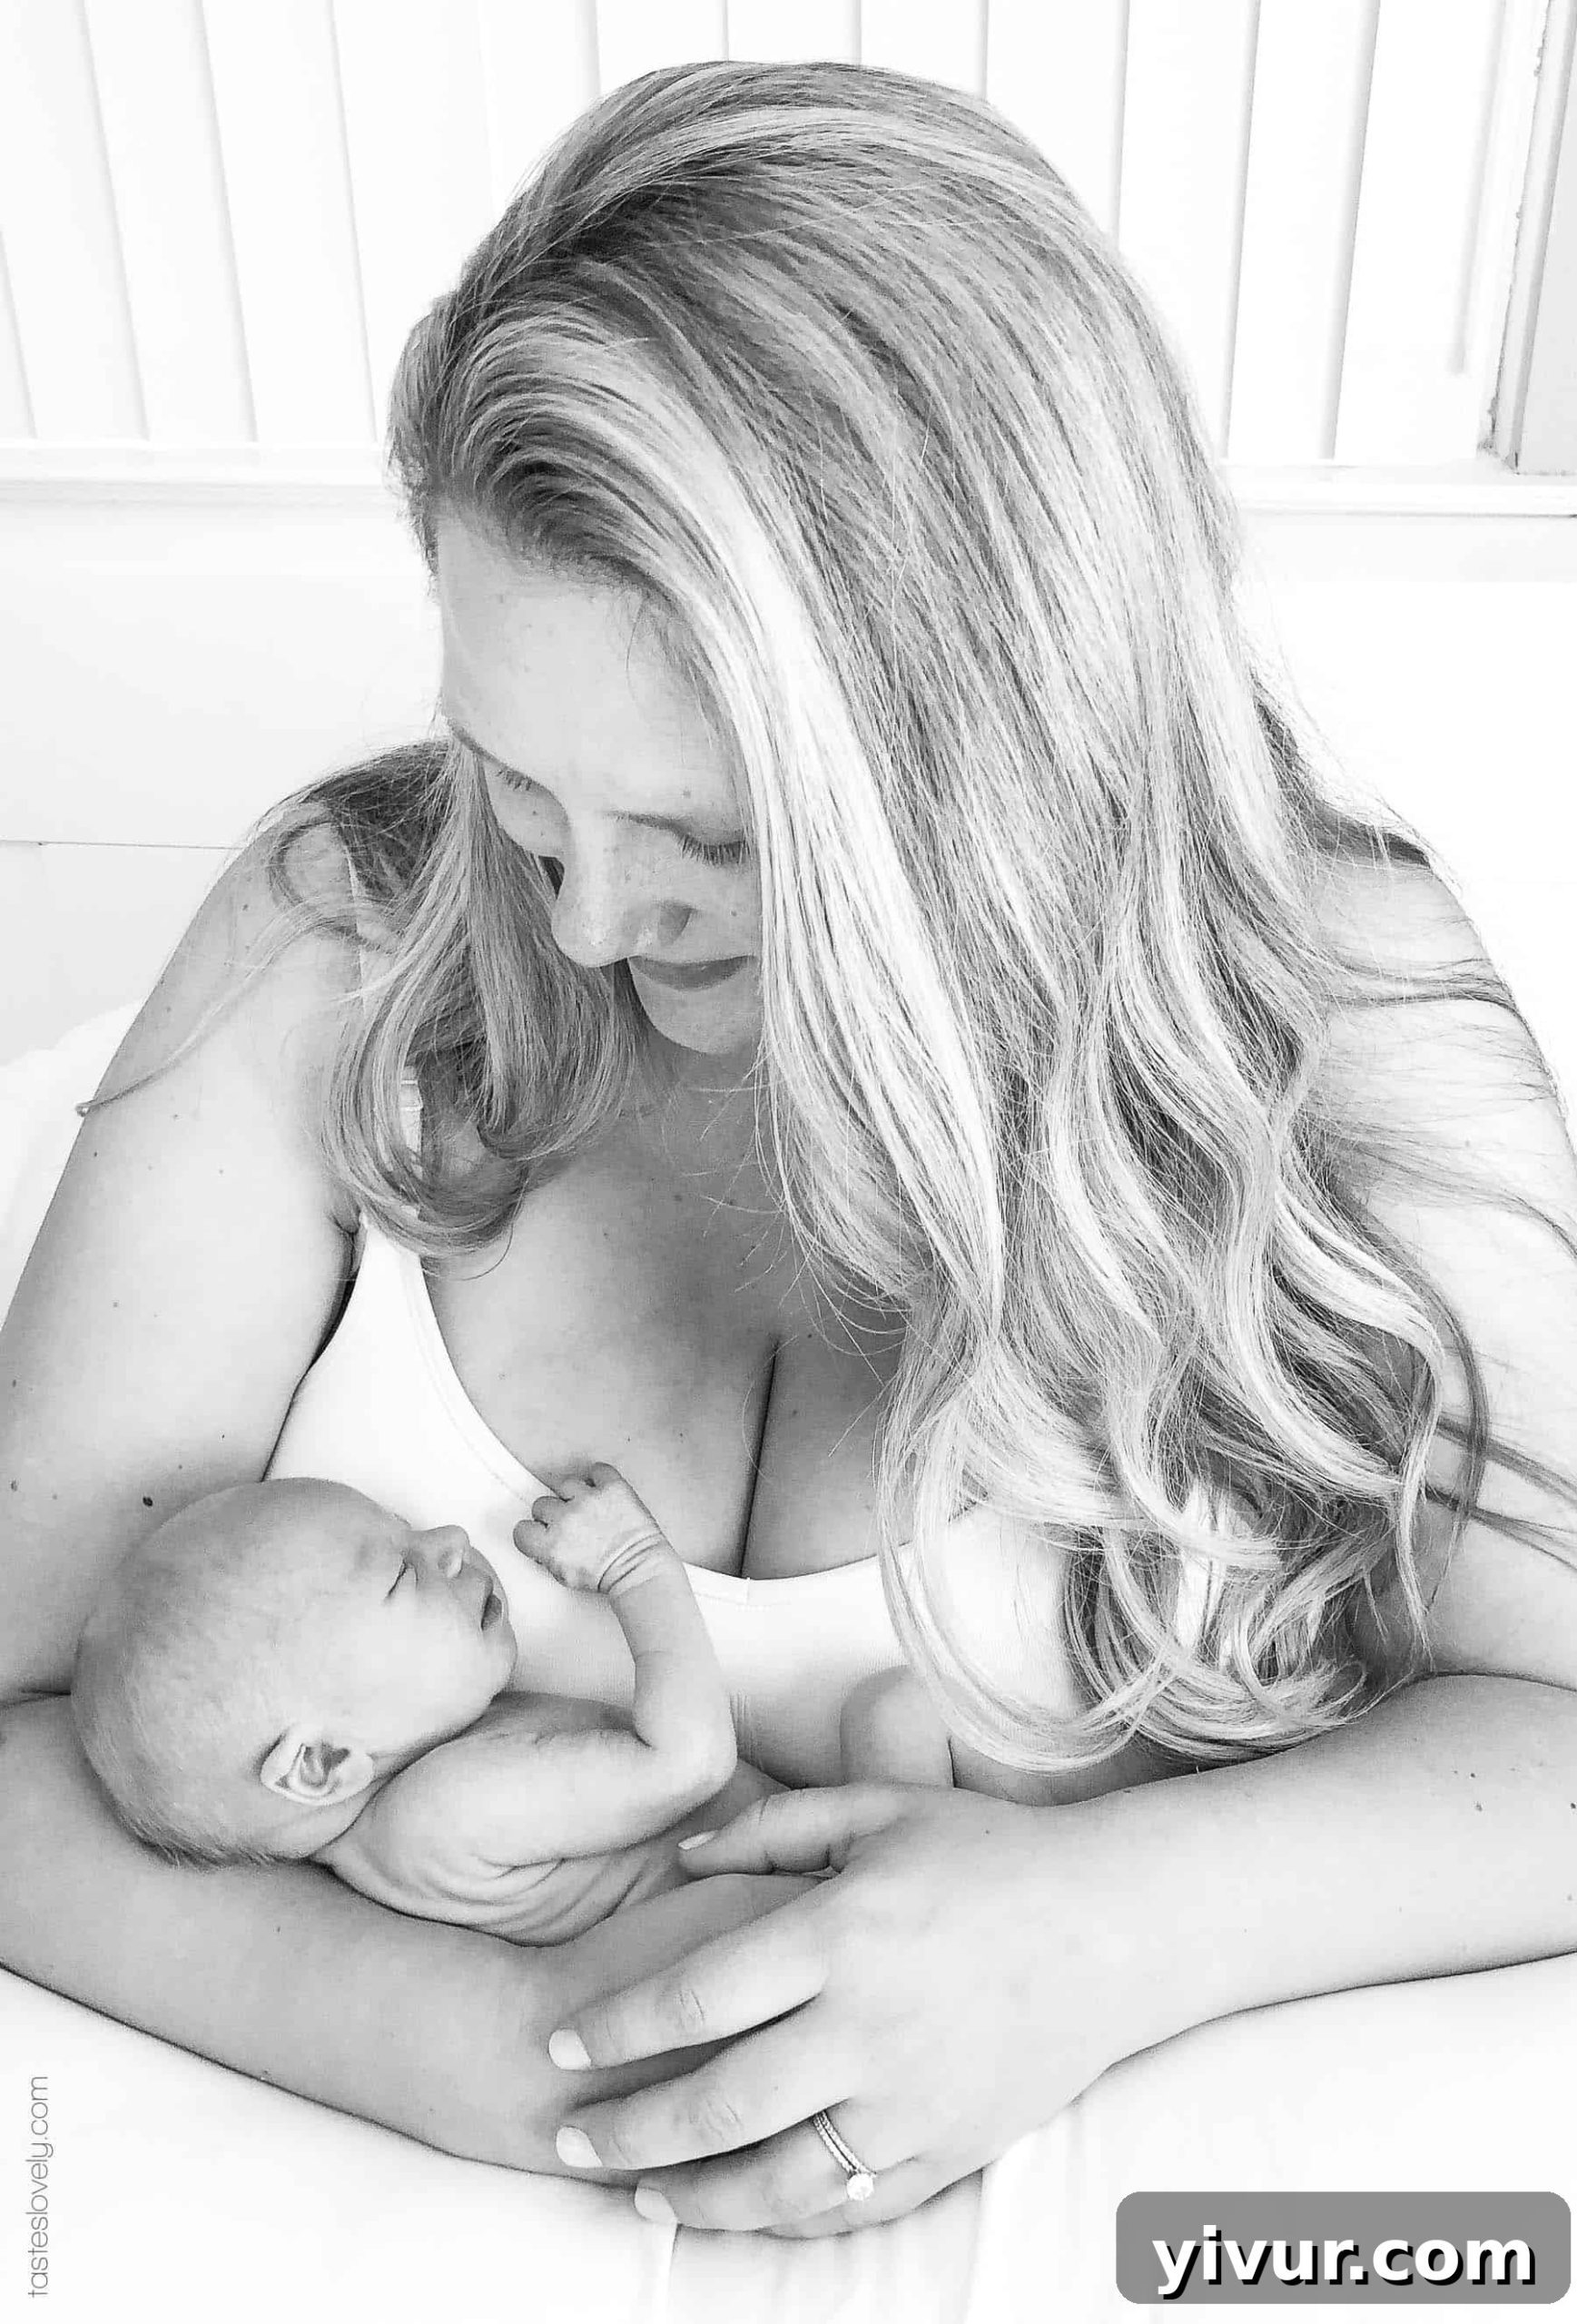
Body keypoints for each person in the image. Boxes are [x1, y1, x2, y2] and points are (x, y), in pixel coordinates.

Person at [3, 55, 1576, 2251]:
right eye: (516, 787)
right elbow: (14, 1718)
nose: (581, 922)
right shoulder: (339, 936)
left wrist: (1100, 1928)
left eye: (713, 838)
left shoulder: (1347, 1008)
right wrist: (493, 2043)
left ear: (1002, 755)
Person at [69, 1468, 835, 1937]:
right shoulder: (443, 1812)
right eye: (400, 1576)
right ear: (323, 1763)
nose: (449, 1540)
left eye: (406, 1530)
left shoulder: (410, 1797)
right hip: (802, 1910)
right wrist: (635, 1566)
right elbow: (688, 1762)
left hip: (815, 1882)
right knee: (890, 1713)